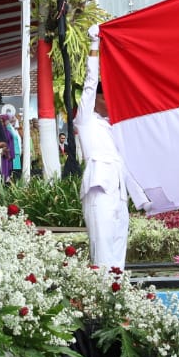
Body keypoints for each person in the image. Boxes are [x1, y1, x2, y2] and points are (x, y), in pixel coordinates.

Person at [77, 24, 130, 269]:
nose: (109, 100)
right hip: (99, 187)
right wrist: (95, 46)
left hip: (119, 190)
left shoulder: (115, 126)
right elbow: (89, 83)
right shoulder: (86, 120)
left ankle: (118, 294)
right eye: (104, 96)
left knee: (119, 247)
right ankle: (101, 295)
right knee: (102, 249)